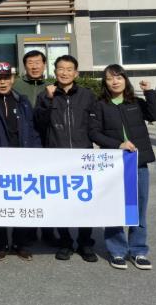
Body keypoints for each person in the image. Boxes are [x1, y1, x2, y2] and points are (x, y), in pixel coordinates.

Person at [89, 64, 156, 270]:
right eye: (110, 78)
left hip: (138, 163)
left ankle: (138, 250)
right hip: (113, 164)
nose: (115, 81)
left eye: (119, 77)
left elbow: (155, 115)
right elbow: (94, 133)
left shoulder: (135, 102)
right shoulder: (100, 105)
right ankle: (117, 251)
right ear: (105, 82)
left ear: (125, 80)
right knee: (114, 207)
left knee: (139, 208)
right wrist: (117, 145)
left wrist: (149, 92)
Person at [34, 54, 98, 263]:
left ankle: (85, 242)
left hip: (83, 156)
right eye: (61, 69)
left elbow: (96, 125)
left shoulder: (87, 95)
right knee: (60, 202)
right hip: (57, 156)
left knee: (85, 202)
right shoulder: (45, 95)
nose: (64, 73)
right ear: (55, 72)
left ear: (76, 73)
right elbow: (38, 123)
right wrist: (49, 100)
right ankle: (65, 242)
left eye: (69, 69)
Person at [0, 61, 41, 262]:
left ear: (12, 79)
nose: (2, 82)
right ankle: (2, 244)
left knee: (21, 201)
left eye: (6, 78)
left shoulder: (22, 101)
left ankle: (20, 243)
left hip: (22, 158)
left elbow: (31, 128)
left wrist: (36, 153)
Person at [9, 50, 58, 247]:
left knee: (47, 189)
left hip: (49, 141)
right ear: (25, 65)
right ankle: (27, 231)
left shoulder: (52, 86)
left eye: (38, 62)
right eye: (30, 62)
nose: (34, 66)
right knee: (27, 187)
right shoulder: (16, 85)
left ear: (45, 64)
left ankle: (48, 230)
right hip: (24, 142)